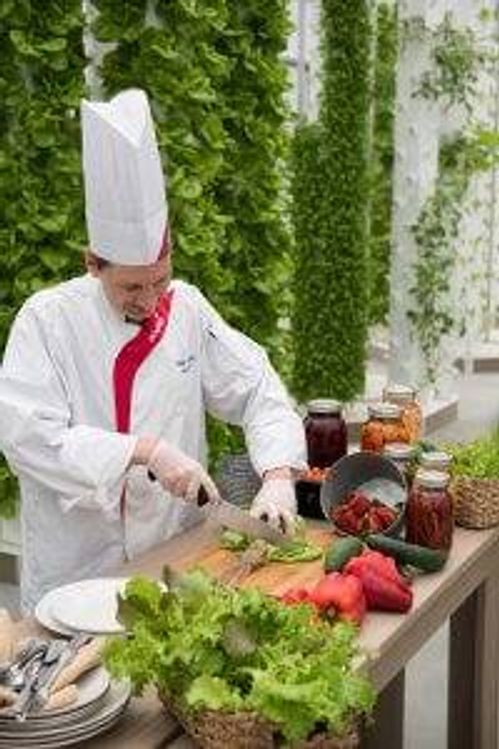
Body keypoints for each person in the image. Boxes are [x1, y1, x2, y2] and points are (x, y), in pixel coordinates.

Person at [0, 89, 306, 613]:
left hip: (172, 554)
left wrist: (278, 476)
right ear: (93, 265)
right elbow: (27, 438)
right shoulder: (47, 319)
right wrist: (144, 452)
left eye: (158, 282)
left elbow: (255, 386)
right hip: (78, 567)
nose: (149, 301)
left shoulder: (186, 308)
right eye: (130, 289)